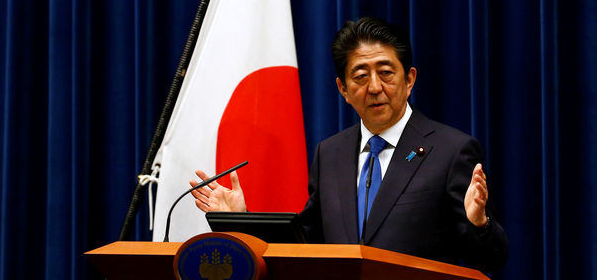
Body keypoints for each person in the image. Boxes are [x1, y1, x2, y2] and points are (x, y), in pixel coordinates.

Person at [190, 17, 508, 272]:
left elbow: (492, 259)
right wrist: (241, 220)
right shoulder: (330, 154)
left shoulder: (452, 150)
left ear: (409, 79)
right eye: (360, 76)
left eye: (386, 73)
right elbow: (305, 247)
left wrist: (478, 222)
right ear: (342, 88)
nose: (374, 87)